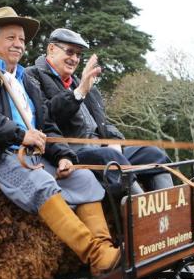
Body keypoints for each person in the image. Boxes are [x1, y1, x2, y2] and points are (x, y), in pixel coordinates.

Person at [0, 7, 119, 276]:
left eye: (22, 39)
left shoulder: (24, 78)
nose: (19, 44)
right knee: (42, 183)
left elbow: (46, 125)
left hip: (35, 155)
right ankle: (94, 254)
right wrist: (20, 135)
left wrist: (62, 155)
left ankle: (105, 253)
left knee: (84, 179)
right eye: (11, 38)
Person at [25, 28, 173, 194]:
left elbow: (103, 121)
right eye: (70, 52)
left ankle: (172, 209)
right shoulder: (32, 76)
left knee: (152, 153)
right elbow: (46, 117)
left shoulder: (81, 82)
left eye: (78, 55)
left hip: (102, 149)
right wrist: (79, 93)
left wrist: (114, 140)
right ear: (51, 49)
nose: (74, 59)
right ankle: (142, 214)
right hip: (71, 152)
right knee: (110, 157)